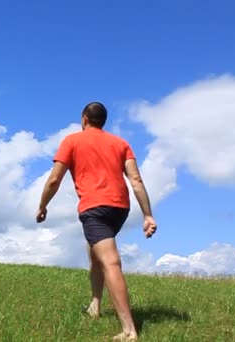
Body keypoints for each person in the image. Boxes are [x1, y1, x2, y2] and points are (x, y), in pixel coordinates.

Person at [36, 102, 157, 341]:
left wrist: (42, 205)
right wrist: (147, 214)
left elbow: (53, 180)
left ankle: (129, 330)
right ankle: (95, 305)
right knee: (96, 253)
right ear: (103, 121)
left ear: (84, 119)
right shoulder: (121, 144)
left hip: (95, 207)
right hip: (120, 208)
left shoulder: (72, 140)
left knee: (110, 262)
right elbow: (136, 180)